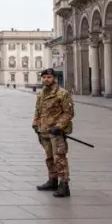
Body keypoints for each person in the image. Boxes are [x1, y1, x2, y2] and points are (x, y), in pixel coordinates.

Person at [33, 68, 74, 198]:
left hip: (56, 133)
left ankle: (64, 185)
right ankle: (52, 180)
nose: (46, 79)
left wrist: (59, 126)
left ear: (54, 78)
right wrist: (35, 124)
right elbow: (38, 110)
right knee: (49, 158)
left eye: (49, 77)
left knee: (60, 158)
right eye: (44, 77)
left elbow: (69, 113)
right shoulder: (41, 94)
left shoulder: (62, 94)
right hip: (44, 132)